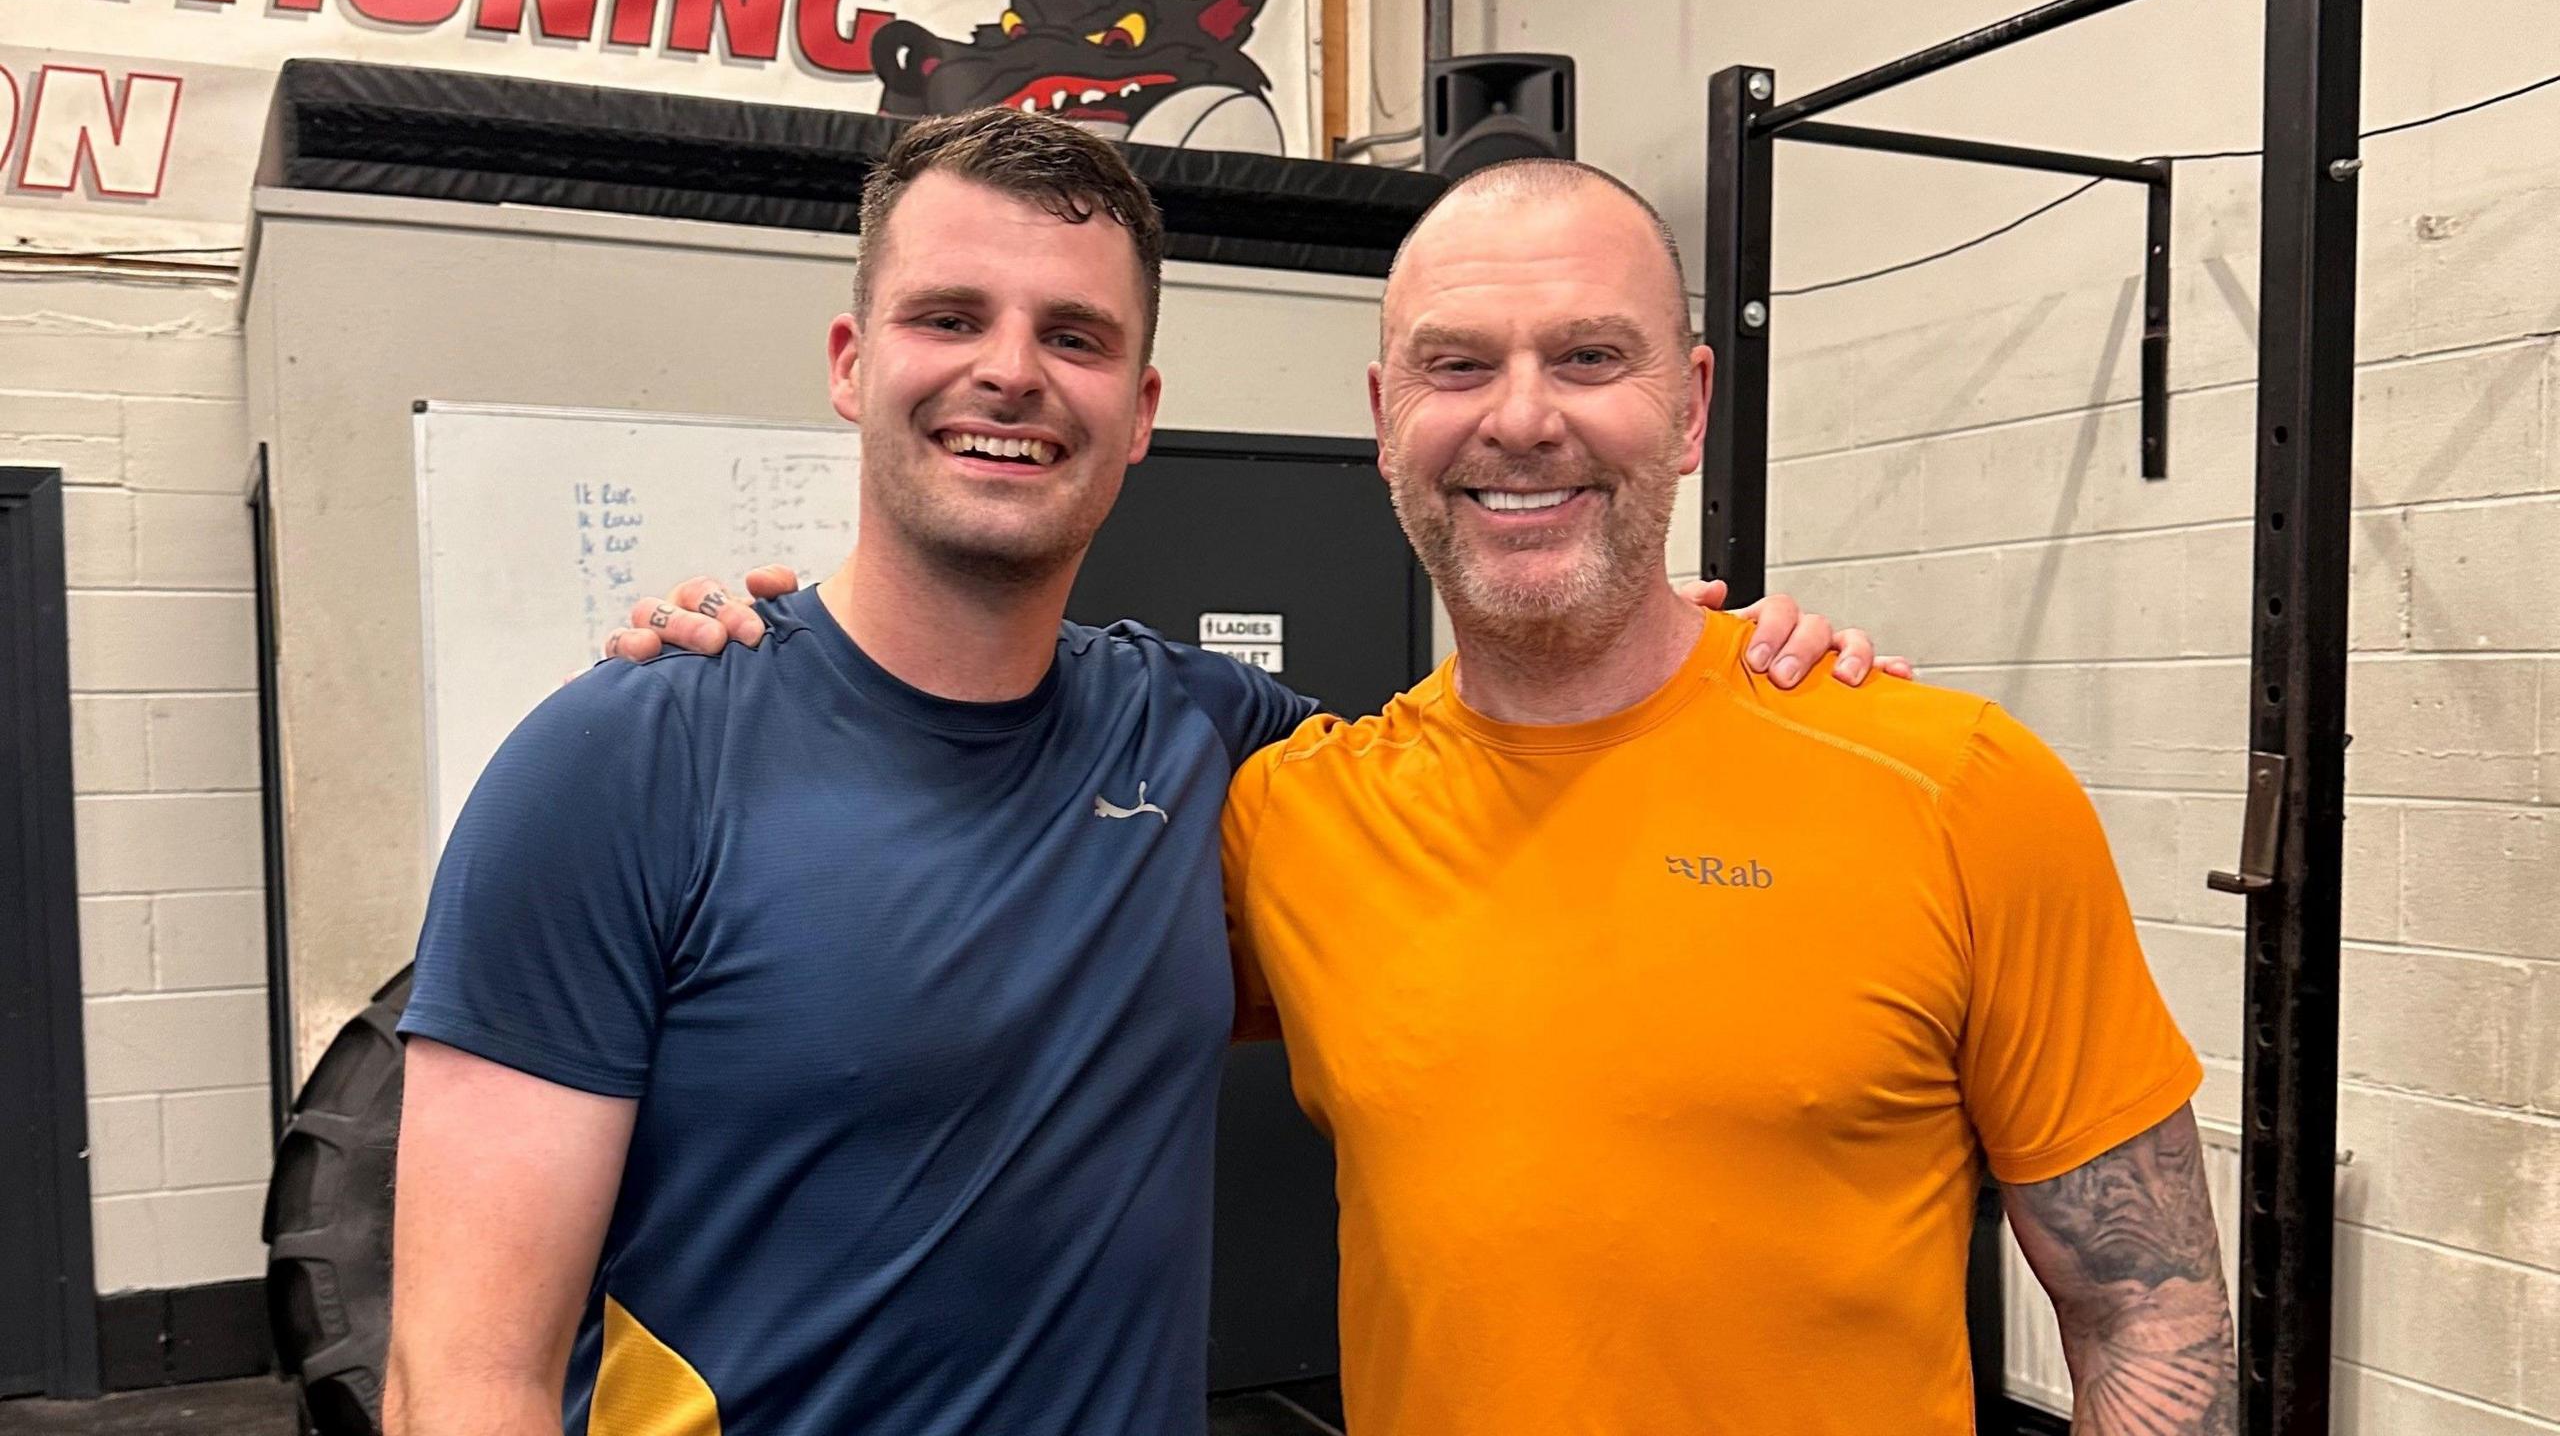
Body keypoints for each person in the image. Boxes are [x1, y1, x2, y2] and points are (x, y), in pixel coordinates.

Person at [641, 156, 2234, 1435]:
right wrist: (779, 670)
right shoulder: (1290, 816)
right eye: (1457, 365)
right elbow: (958, 865)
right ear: (1385, 417)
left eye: (1589, 360)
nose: (1521, 417)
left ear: (1687, 404)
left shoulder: (1950, 786)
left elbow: (2151, 1311)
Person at [387, 108, 1876, 1436]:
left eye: (1076, 335)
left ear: (1142, 408)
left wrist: (1729, 668)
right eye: (950, 316)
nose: (1011, 373)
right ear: (853, 364)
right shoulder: (622, 758)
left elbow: (1522, 774)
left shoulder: (1213, 742)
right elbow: (460, 1380)